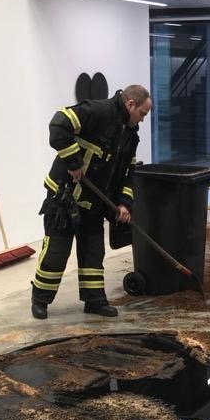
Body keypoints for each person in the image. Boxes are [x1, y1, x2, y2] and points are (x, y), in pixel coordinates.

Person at [31, 84, 152, 319]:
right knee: (57, 252)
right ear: (130, 105)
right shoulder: (98, 111)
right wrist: (73, 163)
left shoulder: (130, 136)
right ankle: (40, 300)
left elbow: (128, 173)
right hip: (64, 197)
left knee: (93, 254)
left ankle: (94, 301)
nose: (143, 119)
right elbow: (58, 124)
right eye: (142, 113)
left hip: (94, 202)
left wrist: (124, 203)